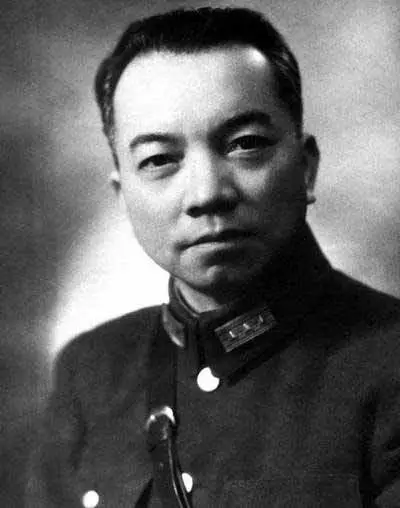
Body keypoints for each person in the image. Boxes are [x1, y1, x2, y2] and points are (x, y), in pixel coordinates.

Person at [26, 7, 400, 507]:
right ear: (122, 196)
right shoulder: (91, 373)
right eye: (159, 160)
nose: (207, 193)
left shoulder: (388, 364)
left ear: (306, 168)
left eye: (245, 145)